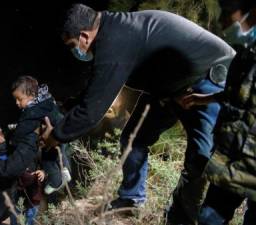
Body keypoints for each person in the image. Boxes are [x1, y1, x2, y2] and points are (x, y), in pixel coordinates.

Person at [42, 4, 235, 224]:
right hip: (170, 88)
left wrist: (56, 136)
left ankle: (184, 217)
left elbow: (92, 110)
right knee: (134, 139)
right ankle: (131, 200)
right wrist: (70, 105)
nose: (76, 51)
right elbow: (98, 88)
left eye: (72, 45)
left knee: (201, 156)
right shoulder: (115, 30)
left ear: (84, 36)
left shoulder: (115, 39)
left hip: (207, 76)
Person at [180, 1, 255, 224]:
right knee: (208, 219)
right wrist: (204, 98)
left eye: (228, 13)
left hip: (249, 160)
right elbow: (240, 95)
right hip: (231, 161)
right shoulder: (246, 53)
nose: (222, 21)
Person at [10, 76, 71, 195]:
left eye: (19, 99)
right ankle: (65, 170)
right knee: (61, 151)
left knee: (47, 159)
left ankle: (55, 182)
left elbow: (23, 129)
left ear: (31, 95)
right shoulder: (45, 98)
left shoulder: (32, 111)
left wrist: (14, 140)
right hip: (62, 127)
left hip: (54, 133)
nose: (17, 103)